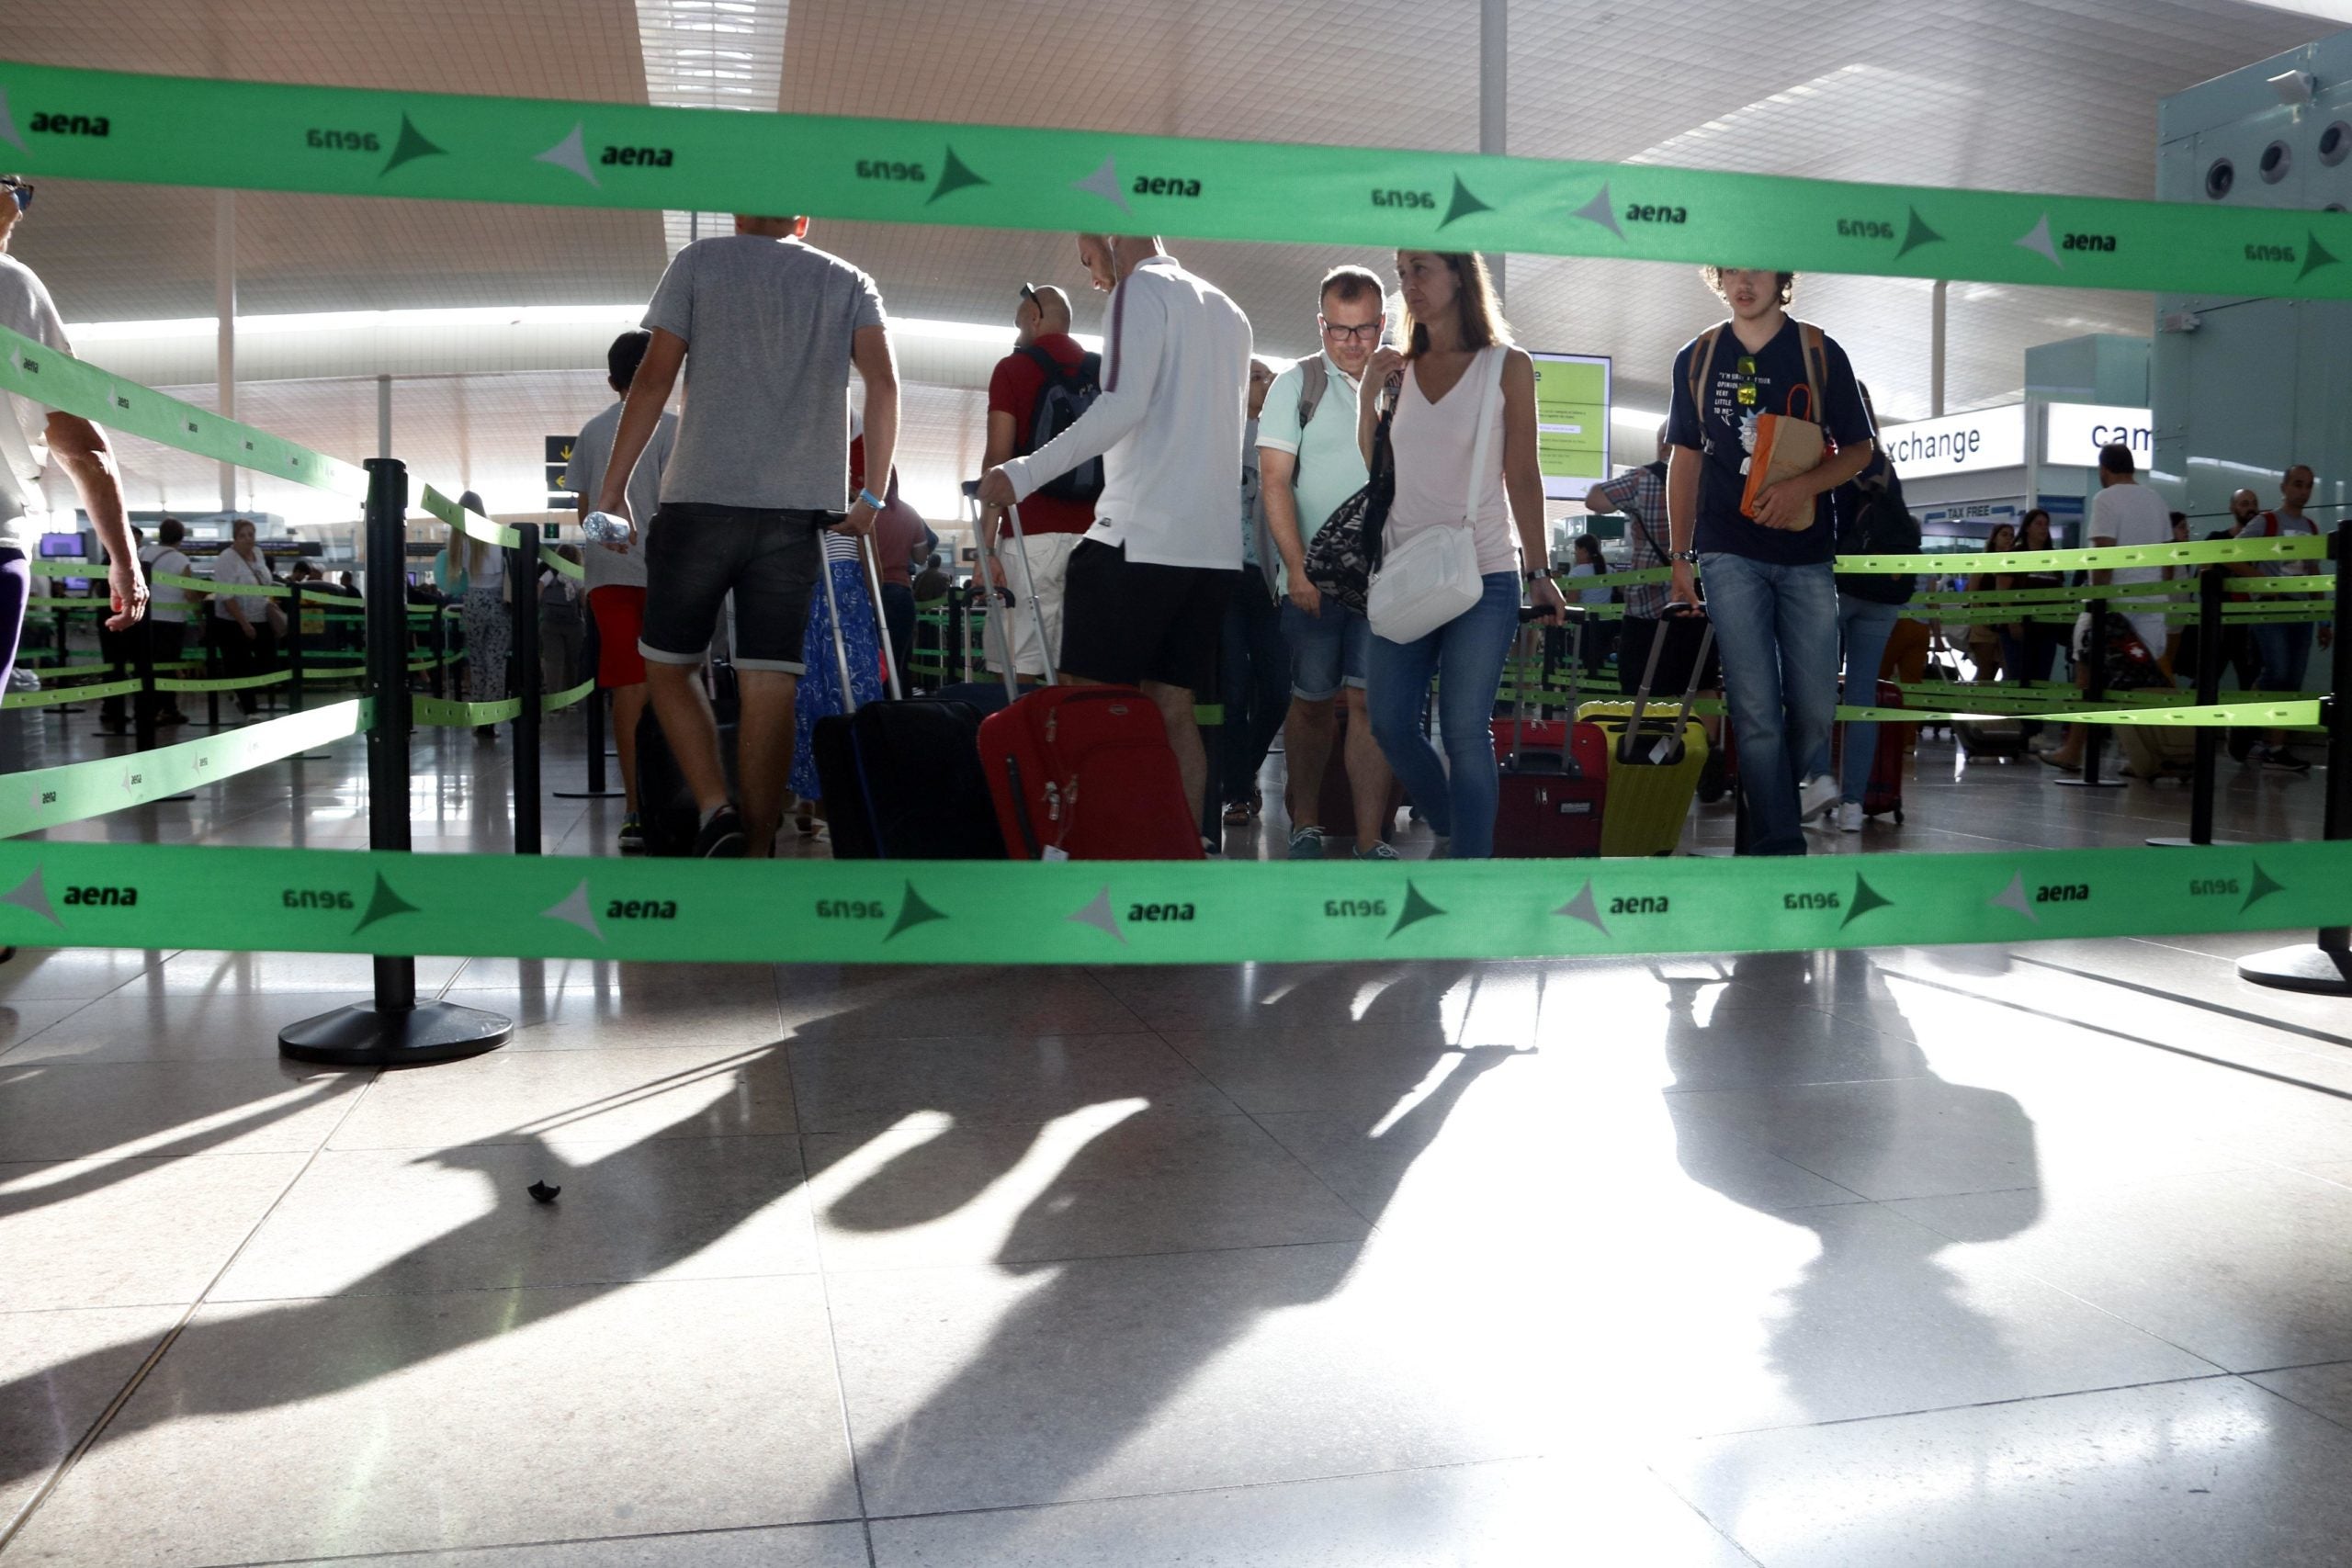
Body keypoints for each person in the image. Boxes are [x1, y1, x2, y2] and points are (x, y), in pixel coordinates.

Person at [594, 213, 898, 859]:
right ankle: (757, 849)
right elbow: (885, 383)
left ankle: (714, 806)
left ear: (737, 212)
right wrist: (869, 496)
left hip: (699, 499)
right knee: (771, 681)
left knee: (667, 667)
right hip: (797, 513)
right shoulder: (848, 281)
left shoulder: (700, 263)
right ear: (803, 219)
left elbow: (653, 378)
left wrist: (613, 489)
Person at [977, 233, 1253, 835]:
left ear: (1112, 240)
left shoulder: (1139, 289)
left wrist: (1020, 474)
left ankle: (1104, 850)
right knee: (1173, 706)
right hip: (1212, 551)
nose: (1089, 271)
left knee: (1087, 702)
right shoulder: (1230, 312)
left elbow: (1121, 407)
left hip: (1139, 537)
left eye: (1087, 254)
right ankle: (1182, 849)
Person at [1359, 248, 1566, 860]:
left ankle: (1470, 871)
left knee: (1465, 729)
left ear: (1459, 275)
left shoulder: (1506, 365)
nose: (1408, 285)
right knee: (1390, 721)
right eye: (1401, 274)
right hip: (1404, 569)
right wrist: (1370, 387)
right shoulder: (1400, 368)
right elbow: (1374, 463)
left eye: (1420, 269)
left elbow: (1523, 473)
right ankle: (1453, 822)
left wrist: (1540, 572)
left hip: (1484, 571)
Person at [1665, 266, 1876, 856]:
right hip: (1727, 549)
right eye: (1730, 269)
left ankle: (1769, 816)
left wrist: (1803, 487)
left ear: (1781, 276)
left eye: (1755, 268)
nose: (1743, 281)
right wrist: (1681, 557)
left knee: (1813, 705)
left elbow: (1860, 449)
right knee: (1755, 706)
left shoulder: (1819, 351)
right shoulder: (1698, 356)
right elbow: (1685, 459)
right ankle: (1780, 847)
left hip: (1806, 552)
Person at [1258, 264, 1396, 859]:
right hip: (1313, 580)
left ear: (1382, 322)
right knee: (1311, 702)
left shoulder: (1405, 381)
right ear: (1320, 324)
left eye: (1364, 329)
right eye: (1339, 330)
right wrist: (1296, 568)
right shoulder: (1296, 385)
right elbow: (1274, 482)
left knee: (1371, 705)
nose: (1352, 343)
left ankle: (1370, 839)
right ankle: (1306, 822)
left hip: (1387, 581)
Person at [0, 173, 145, 711]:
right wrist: (124, 560)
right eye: (14, 188)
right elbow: (87, 452)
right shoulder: (13, 286)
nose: (20, 199)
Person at [564, 329, 679, 852]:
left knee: (629, 688)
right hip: (675, 578)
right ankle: (683, 797)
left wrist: (624, 544)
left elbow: (588, 515)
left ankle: (634, 809)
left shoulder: (592, 433)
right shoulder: (682, 430)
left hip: (611, 580)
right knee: (680, 684)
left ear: (611, 380)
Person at [1588, 422, 1725, 795]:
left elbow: (1594, 500)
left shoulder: (1642, 479)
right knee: (1703, 684)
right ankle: (1706, 761)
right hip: (1700, 603)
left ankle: (1649, 761)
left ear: (1662, 445)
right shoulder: (1713, 477)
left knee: (1643, 686)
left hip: (1648, 609)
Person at [978, 282, 1096, 684]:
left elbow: (998, 458)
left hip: (1029, 534)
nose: (1017, 335)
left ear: (1034, 318)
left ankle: (1019, 748)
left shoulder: (1013, 369)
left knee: (1015, 671)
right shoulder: (1103, 371)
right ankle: (1066, 748)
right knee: (1075, 669)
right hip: (1093, 540)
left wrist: (986, 546)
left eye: (1018, 324)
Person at [2038, 444, 2171, 773]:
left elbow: (2104, 552)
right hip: (2152, 603)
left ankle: (2073, 751)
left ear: (2103, 468)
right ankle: (2152, 754)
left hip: (2114, 603)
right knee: (2145, 682)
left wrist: (2098, 602)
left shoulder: (2106, 498)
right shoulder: (2156, 499)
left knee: (2087, 678)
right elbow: (2170, 556)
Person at [1218, 355, 1291, 830]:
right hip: (1223, 581)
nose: (1269, 384)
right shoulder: (1215, 439)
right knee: (1233, 689)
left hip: (1269, 582)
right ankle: (1240, 792)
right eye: (1260, 377)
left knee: (1278, 691)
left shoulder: (1280, 441)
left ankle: (1240, 773)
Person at [789, 532, 888, 841]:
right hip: (847, 603)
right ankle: (837, 802)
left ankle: (810, 797)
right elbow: (874, 575)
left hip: (805, 598)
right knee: (850, 695)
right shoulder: (857, 512)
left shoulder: (802, 505)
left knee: (810, 695)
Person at [2233, 464, 2328, 772]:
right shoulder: (2267, 521)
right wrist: (2263, 582)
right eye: (2298, 484)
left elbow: (2313, 572)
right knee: (2277, 671)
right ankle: (2244, 722)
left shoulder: (2312, 528)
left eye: (2308, 485)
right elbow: (2233, 555)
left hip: (2302, 611)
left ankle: (2275, 747)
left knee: (2291, 680)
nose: (2303, 490)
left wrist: (2324, 618)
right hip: (2273, 607)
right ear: (2285, 487)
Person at [209, 517, 280, 716]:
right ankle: (250, 709)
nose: (248, 539)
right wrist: (244, 623)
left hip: (260, 616)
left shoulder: (258, 553)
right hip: (232, 621)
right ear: (235, 538)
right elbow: (226, 595)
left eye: (251, 534)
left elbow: (266, 582)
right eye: (242, 535)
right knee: (241, 665)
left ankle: (238, 690)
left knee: (269, 661)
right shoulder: (226, 559)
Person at [132, 517, 198, 728]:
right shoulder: (181, 560)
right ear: (181, 537)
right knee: (168, 667)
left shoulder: (144, 553)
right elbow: (189, 594)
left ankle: (145, 709)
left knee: (147, 665)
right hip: (172, 622)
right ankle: (166, 709)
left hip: (146, 619)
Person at [869, 468, 926, 688]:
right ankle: (897, 712)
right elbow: (921, 557)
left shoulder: (862, 512)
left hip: (868, 592)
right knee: (898, 662)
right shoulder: (909, 513)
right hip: (900, 594)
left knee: (869, 659)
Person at [1966, 521, 2017, 683]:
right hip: (1983, 625)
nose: (2008, 538)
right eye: (2004, 534)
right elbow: (1972, 593)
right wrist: (1983, 616)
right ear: (1994, 538)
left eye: (2011, 535)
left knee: (2006, 669)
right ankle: (1975, 706)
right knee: (1986, 671)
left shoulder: (2014, 563)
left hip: (2005, 623)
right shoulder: (1982, 562)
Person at [1565, 534, 1616, 674]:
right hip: (1607, 623)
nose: (1575, 553)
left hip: (1586, 624)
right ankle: (1604, 688)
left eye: (1576, 549)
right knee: (1602, 658)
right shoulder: (1609, 570)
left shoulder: (1576, 573)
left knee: (1587, 660)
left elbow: (1572, 601)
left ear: (1584, 551)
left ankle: (1589, 688)